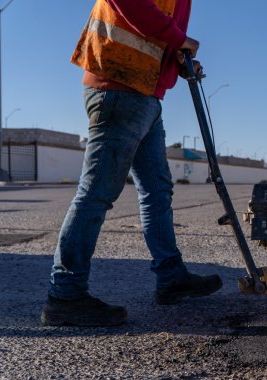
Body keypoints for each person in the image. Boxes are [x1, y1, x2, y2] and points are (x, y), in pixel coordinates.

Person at [41, 0, 222, 327]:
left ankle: (171, 277)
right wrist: (177, 38)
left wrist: (179, 61)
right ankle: (65, 295)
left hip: (145, 95)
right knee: (96, 192)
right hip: (119, 87)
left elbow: (157, 36)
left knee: (157, 190)